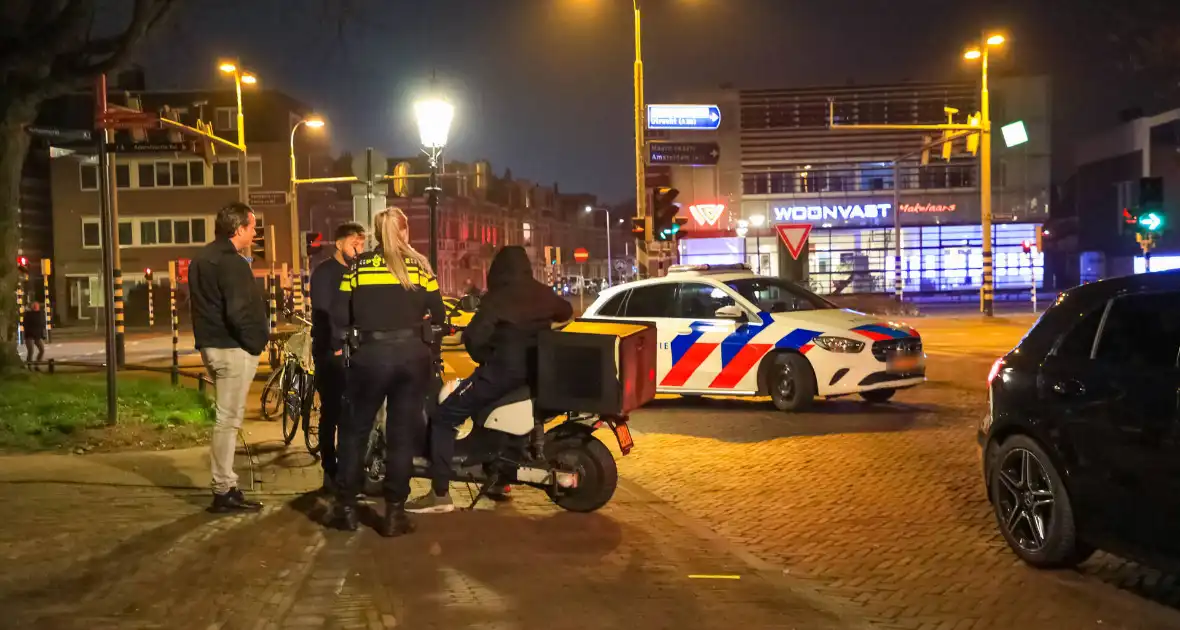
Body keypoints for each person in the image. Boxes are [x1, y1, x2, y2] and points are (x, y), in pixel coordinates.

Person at [407, 245, 572, 514]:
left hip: (502, 373)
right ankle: (499, 479)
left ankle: (439, 495)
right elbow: (565, 312)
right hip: (533, 373)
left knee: (445, 416)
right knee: (493, 417)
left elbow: (473, 338)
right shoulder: (543, 293)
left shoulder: (497, 298)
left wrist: (485, 358)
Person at [331, 207, 445, 536]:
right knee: (401, 436)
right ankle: (394, 513)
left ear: (377, 235)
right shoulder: (420, 267)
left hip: (370, 358)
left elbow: (339, 314)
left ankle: (347, 508)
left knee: (355, 432)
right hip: (411, 359)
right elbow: (438, 312)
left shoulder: (358, 268)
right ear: (405, 232)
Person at [189, 202, 269, 514]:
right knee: (228, 421)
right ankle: (223, 488)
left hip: (211, 345)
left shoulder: (201, 259)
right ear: (239, 229)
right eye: (252, 226)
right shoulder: (232, 263)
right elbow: (239, 310)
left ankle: (227, 485)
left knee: (227, 419)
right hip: (233, 348)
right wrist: (256, 342)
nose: (254, 232)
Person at [309, 221, 366, 494]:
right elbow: (323, 312)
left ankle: (351, 470)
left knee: (352, 415)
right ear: (339, 243)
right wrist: (335, 345)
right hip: (331, 353)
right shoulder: (324, 273)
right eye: (354, 242)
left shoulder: (359, 271)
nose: (359, 248)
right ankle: (330, 471)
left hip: (355, 352)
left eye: (363, 243)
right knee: (331, 413)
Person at [22, 301, 46, 369]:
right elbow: (25, 324)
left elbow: (42, 325)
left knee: (41, 350)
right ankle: (29, 366)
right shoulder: (28, 315)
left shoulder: (40, 315)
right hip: (30, 335)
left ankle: (36, 365)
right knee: (31, 350)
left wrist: (42, 334)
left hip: (37, 335)